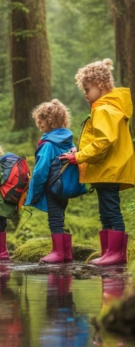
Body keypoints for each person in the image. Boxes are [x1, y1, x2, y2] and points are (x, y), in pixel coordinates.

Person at [60, 58, 135, 266]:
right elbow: (101, 140)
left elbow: (104, 141)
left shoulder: (104, 110)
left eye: (87, 89)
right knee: (106, 211)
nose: (85, 95)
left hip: (108, 169)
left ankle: (116, 254)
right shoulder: (109, 107)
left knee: (111, 211)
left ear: (100, 85)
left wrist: (79, 156)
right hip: (107, 169)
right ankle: (109, 252)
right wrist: (81, 150)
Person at [24, 99, 76, 264]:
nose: (39, 123)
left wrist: (34, 191)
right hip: (66, 186)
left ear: (51, 121)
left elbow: (40, 171)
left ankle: (58, 252)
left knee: (54, 218)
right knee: (60, 215)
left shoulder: (47, 144)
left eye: (42, 119)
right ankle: (66, 253)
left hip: (52, 185)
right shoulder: (69, 142)